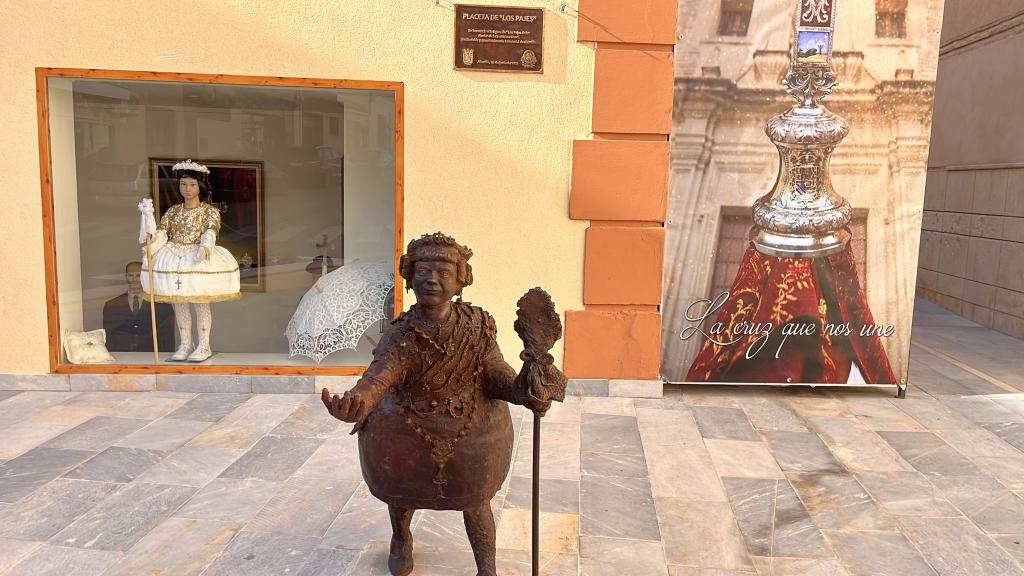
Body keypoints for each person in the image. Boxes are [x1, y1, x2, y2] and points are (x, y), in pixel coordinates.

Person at [321, 232, 562, 576]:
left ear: (460, 279)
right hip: (408, 430)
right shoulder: (401, 334)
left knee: (476, 502)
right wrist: (358, 403)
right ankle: (401, 537)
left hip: (471, 429)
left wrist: (526, 387)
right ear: (410, 276)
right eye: (423, 271)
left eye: (443, 272)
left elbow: (496, 374)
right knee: (400, 494)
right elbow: (379, 376)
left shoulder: (477, 327)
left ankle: (487, 568)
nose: (432, 279)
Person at [137, 159, 240, 362]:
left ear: (199, 187)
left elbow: (210, 229)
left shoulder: (209, 211)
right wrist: (152, 244)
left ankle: (204, 345)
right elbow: (162, 232)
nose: (187, 189)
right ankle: (185, 344)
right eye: (183, 184)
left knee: (200, 302)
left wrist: (205, 246)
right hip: (174, 258)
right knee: (179, 304)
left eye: (192, 185)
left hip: (196, 259)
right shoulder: (173, 211)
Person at [102, 261, 175, 353]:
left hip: (152, 357)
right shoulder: (112, 305)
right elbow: (108, 336)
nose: (134, 279)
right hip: (121, 357)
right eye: (131, 275)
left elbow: (167, 337)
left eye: (138, 275)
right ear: (126, 277)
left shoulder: (162, 305)